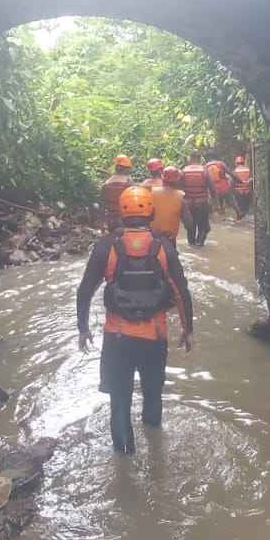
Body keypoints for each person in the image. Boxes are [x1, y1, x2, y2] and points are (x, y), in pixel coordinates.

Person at [76, 186, 194, 454]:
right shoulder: (163, 246)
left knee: (119, 400)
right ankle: (155, 450)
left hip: (117, 338)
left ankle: (124, 457)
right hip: (154, 337)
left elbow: (85, 291)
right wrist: (187, 329)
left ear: (121, 213)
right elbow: (181, 291)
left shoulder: (106, 246)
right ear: (151, 212)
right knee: (153, 393)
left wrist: (83, 328)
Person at [179, 152, 216, 246]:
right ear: (199, 159)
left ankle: (191, 245)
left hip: (188, 203)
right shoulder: (204, 170)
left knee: (190, 227)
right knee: (203, 226)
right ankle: (200, 244)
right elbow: (212, 188)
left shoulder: (184, 171)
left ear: (190, 158)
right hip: (202, 203)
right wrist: (213, 201)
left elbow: (179, 188)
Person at [150, 166, 185, 246]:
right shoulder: (181, 196)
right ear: (177, 180)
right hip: (170, 238)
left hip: (152, 237)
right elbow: (188, 222)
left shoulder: (151, 192)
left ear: (162, 179)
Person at [101, 155, 135, 233]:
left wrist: (102, 223)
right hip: (125, 220)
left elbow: (102, 205)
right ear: (127, 169)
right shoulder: (129, 183)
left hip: (111, 220)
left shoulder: (106, 183)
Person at [231, 155, 253, 220]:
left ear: (236, 163)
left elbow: (232, 182)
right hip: (247, 191)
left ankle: (241, 218)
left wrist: (232, 190)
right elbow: (251, 179)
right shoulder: (248, 170)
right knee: (246, 207)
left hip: (238, 192)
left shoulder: (235, 171)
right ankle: (246, 218)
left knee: (240, 207)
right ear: (243, 162)